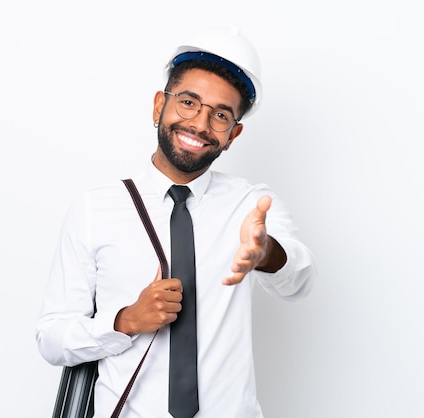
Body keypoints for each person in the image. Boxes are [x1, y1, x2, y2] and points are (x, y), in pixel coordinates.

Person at [36, 27, 316, 417]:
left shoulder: (251, 205)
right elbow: (51, 337)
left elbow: (299, 282)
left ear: (233, 135)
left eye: (220, 115)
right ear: (158, 107)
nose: (200, 124)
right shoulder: (95, 210)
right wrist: (125, 321)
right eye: (188, 102)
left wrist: (265, 253)